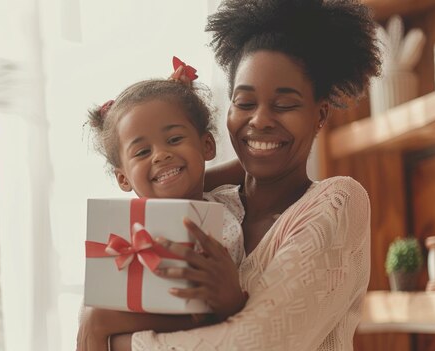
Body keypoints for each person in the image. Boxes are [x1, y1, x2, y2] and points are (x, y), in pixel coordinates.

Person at [80, 0, 381, 350]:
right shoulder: (189, 208)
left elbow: (253, 344)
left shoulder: (338, 201)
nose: (261, 120)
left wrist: (108, 332)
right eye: (245, 103)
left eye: (285, 104)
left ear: (320, 115)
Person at [79, 68, 248, 351]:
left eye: (173, 140)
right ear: (123, 178)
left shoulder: (225, 211)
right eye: (142, 152)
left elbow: (210, 316)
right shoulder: (119, 230)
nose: (161, 155)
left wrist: (104, 319)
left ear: (207, 145)